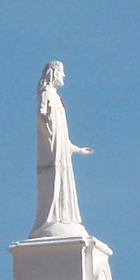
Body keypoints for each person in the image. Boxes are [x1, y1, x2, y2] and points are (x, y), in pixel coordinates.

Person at [32, 60, 91, 238]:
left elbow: (62, 136)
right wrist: (46, 119)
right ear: (53, 73)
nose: (64, 75)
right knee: (54, 179)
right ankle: (51, 218)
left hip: (61, 151)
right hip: (52, 151)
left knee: (63, 179)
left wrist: (76, 149)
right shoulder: (47, 93)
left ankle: (63, 217)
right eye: (61, 72)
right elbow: (42, 115)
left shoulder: (56, 98)